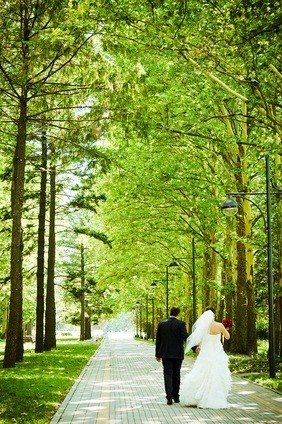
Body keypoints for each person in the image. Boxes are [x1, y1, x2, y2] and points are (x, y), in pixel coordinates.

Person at [180, 307, 232, 409]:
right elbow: (227, 337)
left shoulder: (204, 327)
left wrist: (198, 347)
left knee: (201, 372)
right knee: (215, 374)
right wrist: (225, 330)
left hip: (205, 353)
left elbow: (199, 339)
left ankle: (194, 398)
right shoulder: (220, 325)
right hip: (216, 353)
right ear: (214, 315)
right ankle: (214, 398)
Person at [155, 307, 189, 405]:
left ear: (170, 313)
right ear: (178, 314)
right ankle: (176, 397)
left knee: (167, 375)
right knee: (176, 375)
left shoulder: (161, 324)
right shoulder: (181, 324)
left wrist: (157, 354)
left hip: (165, 354)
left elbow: (158, 340)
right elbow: (185, 337)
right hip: (177, 354)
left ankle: (169, 398)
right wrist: (194, 347)